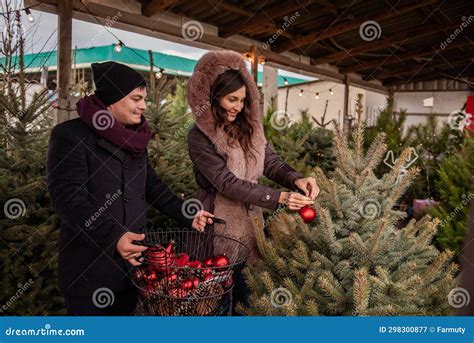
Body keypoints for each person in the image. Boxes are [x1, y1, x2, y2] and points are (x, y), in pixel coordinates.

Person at [46, 61, 213, 316]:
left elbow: (151, 185)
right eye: (136, 98)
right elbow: (67, 198)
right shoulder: (70, 135)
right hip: (90, 271)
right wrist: (114, 236)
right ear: (112, 99)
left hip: (130, 269)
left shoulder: (135, 139)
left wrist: (187, 212)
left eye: (144, 98)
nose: (144, 106)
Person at [187, 50, 319, 307]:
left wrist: (296, 180)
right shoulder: (199, 136)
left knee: (248, 298)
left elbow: (270, 162)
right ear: (213, 97)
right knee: (217, 301)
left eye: (242, 100)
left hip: (251, 224)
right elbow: (226, 182)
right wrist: (278, 197)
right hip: (218, 226)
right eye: (231, 99)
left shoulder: (248, 127)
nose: (238, 106)